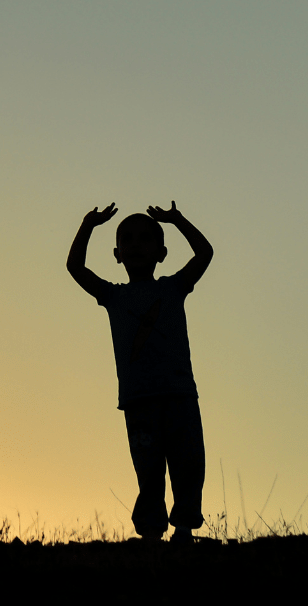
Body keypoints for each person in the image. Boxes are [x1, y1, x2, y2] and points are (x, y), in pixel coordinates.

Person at [67, 201, 212, 541]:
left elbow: (205, 253)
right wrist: (88, 224)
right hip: (139, 400)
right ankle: (149, 533)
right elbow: (75, 266)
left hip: (179, 396)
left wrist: (177, 220)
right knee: (149, 471)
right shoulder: (113, 296)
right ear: (117, 254)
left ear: (162, 252)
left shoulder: (173, 288)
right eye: (127, 239)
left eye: (145, 238)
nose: (136, 244)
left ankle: (184, 529)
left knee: (188, 465)